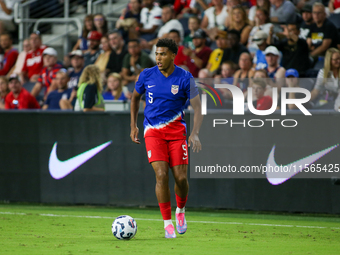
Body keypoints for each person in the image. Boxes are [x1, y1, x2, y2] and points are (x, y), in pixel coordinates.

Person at [130, 38, 202, 239]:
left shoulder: (185, 78)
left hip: (177, 132)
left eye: (162, 54)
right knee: (161, 175)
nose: (158, 58)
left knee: (180, 178)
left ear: (172, 55)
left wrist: (194, 133)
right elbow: (135, 98)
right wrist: (133, 125)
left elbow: (197, 107)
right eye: (156, 54)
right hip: (153, 131)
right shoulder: (146, 75)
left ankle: (180, 211)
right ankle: (167, 223)